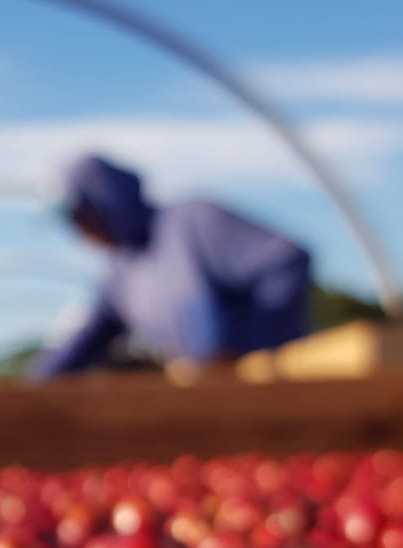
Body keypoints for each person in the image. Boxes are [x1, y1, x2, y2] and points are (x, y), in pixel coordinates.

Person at [33, 154, 312, 381]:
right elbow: (87, 341)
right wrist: (34, 385)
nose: (79, 231)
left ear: (102, 201)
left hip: (270, 390)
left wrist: (241, 347)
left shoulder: (194, 222)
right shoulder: (121, 274)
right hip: (205, 406)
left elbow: (285, 261)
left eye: (80, 216)